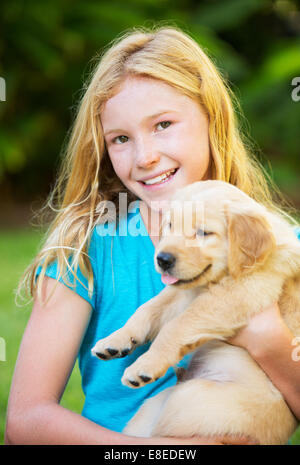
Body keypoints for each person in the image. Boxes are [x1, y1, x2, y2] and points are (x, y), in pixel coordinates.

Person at [5, 25, 300, 445]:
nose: (145, 157)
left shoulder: (282, 243)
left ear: (211, 118)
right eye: (121, 138)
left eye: (163, 124)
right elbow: (26, 420)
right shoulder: (85, 248)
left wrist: (267, 337)